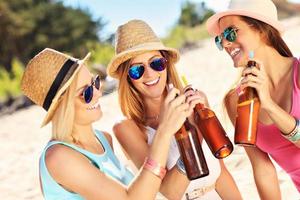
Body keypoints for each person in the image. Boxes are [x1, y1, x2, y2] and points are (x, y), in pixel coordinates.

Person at [21, 48, 195, 200]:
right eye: (86, 92)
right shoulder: (59, 157)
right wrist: (164, 131)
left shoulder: (104, 139)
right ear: (62, 108)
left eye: (95, 82)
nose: (97, 94)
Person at [106, 19, 242, 200]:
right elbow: (169, 192)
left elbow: (221, 175)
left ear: (166, 64)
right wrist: (180, 129)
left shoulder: (197, 102)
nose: (150, 74)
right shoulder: (126, 128)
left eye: (156, 63)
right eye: (137, 70)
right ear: (127, 78)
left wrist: (197, 120)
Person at [206, 0, 300, 198]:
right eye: (219, 39)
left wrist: (270, 106)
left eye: (231, 32)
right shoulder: (235, 100)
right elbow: (262, 168)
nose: (224, 43)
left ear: (262, 30)